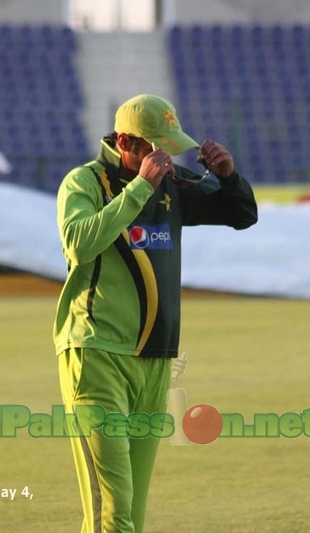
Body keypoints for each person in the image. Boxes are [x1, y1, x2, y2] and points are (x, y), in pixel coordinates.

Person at [54, 94, 258, 532]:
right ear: (124, 141)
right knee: (113, 506)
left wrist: (228, 176)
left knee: (134, 507)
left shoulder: (170, 181)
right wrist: (141, 188)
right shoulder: (83, 182)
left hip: (155, 359)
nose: (164, 156)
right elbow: (79, 244)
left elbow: (242, 215)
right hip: (96, 353)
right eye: (153, 146)